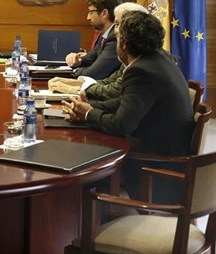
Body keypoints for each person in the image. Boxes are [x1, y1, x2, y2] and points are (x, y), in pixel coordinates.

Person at [63, 11, 194, 203]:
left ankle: (87, 215)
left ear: (123, 44)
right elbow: (126, 103)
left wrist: (88, 114)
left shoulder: (141, 71)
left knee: (82, 163)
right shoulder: (158, 60)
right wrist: (88, 106)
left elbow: (121, 125)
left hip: (153, 169)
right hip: (160, 153)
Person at [49, 2, 148, 100]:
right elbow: (108, 82)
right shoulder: (133, 54)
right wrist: (71, 82)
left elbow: (112, 91)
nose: (115, 30)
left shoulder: (141, 63)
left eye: (117, 24)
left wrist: (74, 90)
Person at [65, 0, 121, 79]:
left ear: (104, 13)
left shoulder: (115, 37)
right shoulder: (105, 33)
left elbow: (94, 74)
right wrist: (78, 60)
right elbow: (90, 59)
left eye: (91, 12)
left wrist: (74, 71)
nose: (88, 17)